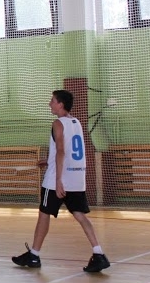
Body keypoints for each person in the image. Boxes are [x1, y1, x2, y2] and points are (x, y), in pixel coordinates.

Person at [12, 90, 111, 273]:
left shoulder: (57, 123)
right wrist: (48, 161)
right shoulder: (77, 122)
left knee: (44, 214)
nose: (50, 104)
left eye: (52, 101)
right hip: (77, 178)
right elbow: (68, 151)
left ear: (61, 104)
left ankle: (34, 255)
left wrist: (58, 180)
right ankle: (99, 253)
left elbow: (61, 151)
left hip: (57, 180)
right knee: (80, 215)